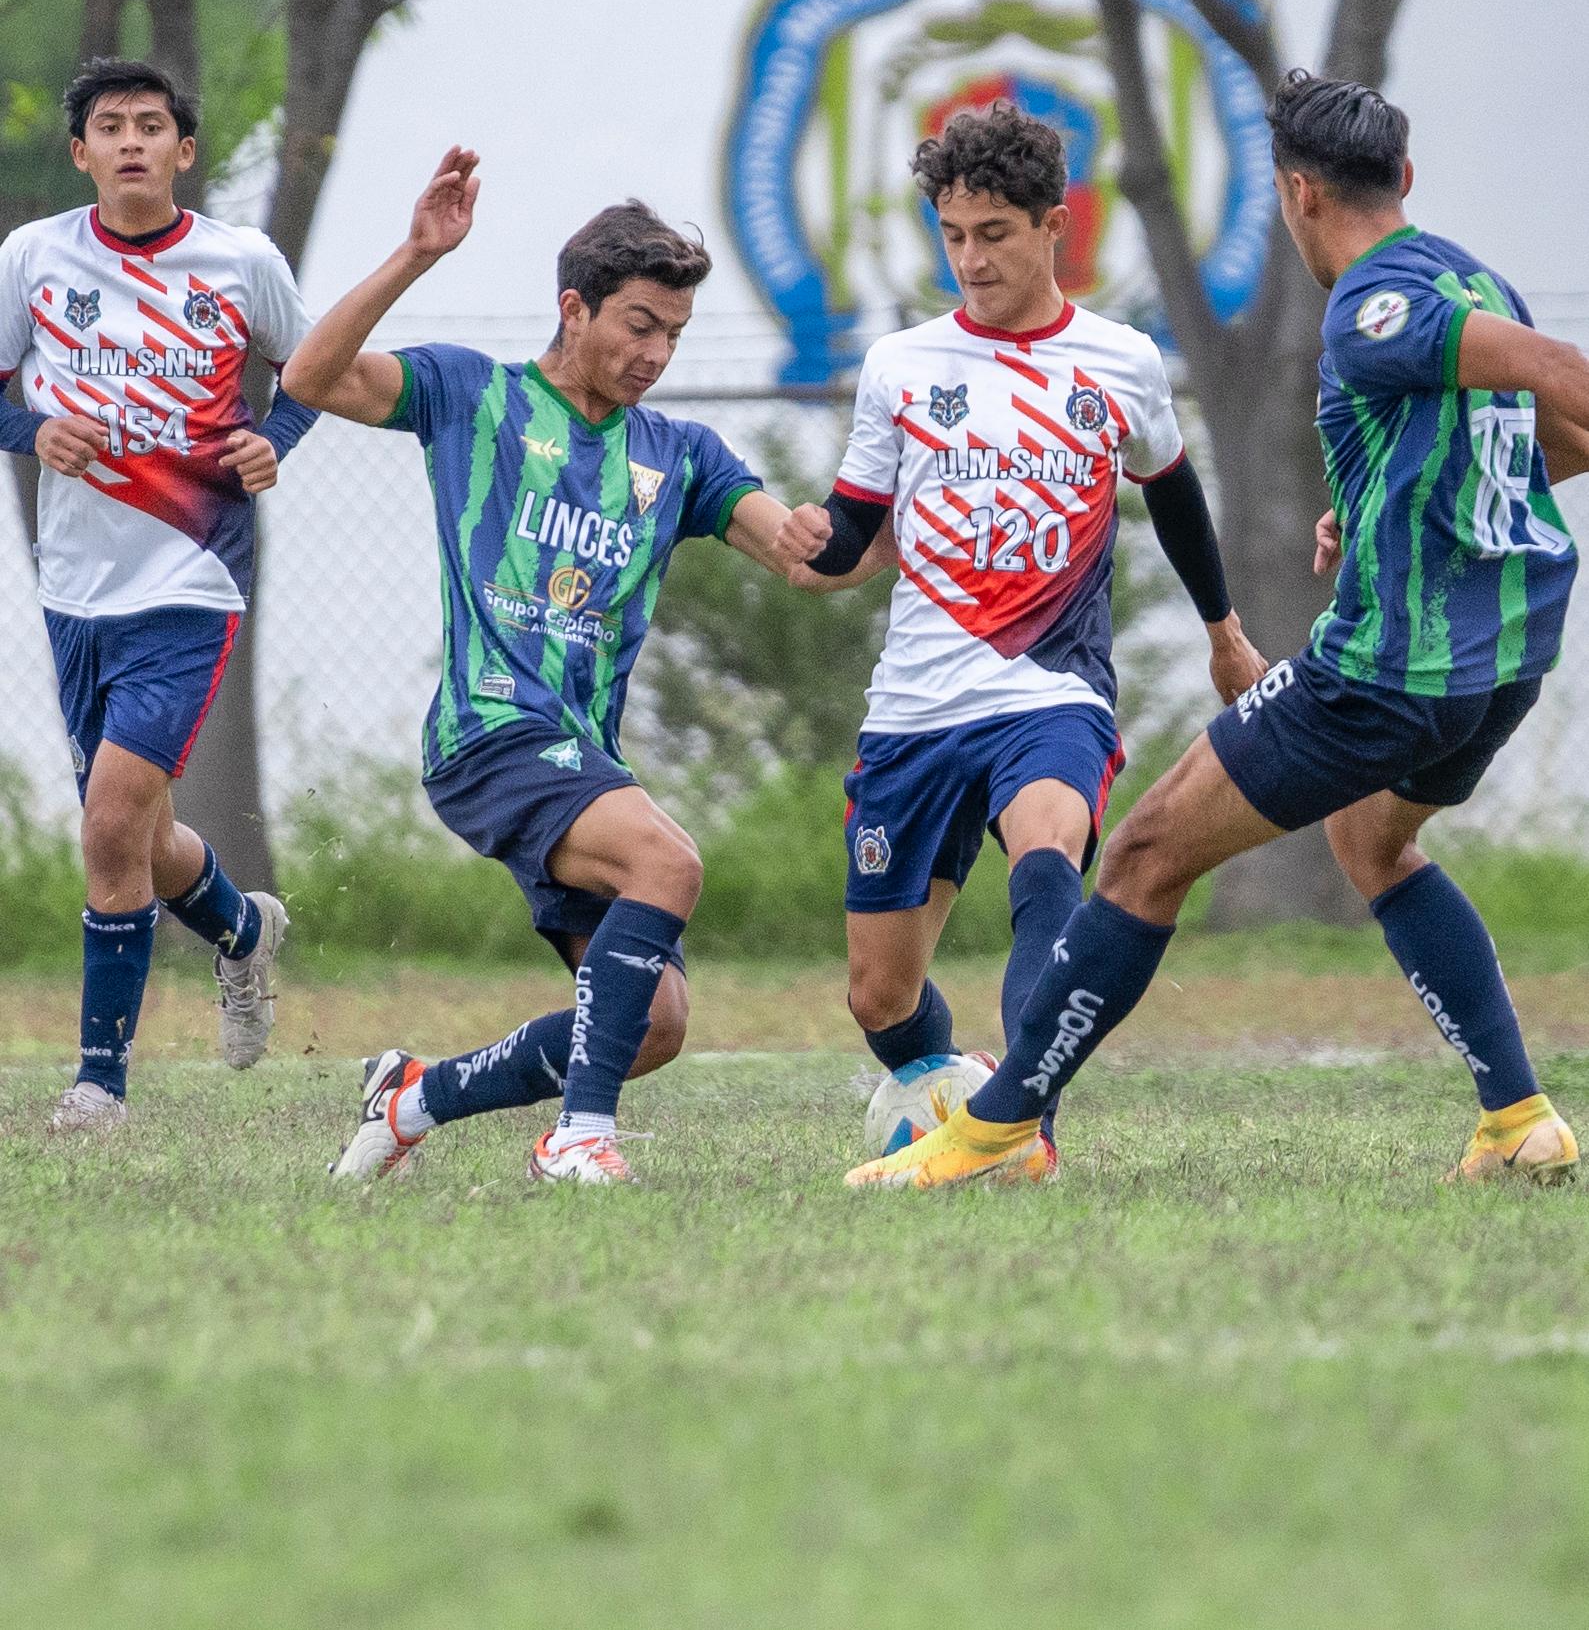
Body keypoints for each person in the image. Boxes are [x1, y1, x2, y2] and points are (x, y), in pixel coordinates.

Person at [848, 70, 1583, 1189]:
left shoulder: (1375, 303)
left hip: (1390, 668)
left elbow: (1563, 380)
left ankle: (996, 1127)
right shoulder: (1472, 275)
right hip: (1507, 657)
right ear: (1404, 178)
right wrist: (1384, 501)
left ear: (1295, 193)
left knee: (1142, 854)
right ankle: (1517, 1116)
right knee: (1368, 843)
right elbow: (1542, 442)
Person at [290, 151, 807, 1186]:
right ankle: (578, 1138)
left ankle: (414, 1096)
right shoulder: (469, 393)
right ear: (574, 308)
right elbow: (308, 379)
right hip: (488, 734)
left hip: (579, 755)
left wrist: (897, 514)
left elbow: (802, 553)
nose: (655, 351)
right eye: (638, 325)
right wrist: (416, 253)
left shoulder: (681, 453)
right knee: (670, 863)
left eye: (673, 333)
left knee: (651, 1021)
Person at [774, 100, 1266, 1176]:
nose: (969, 259)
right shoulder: (900, 365)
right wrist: (808, 543)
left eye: (991, 233)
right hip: (912, 707)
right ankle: (957, 1086)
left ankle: (1019, 1128)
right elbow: (853, 529)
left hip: (1051, 688)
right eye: (951, 236)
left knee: (1048, 849)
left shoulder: (1119, 360)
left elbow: (1174, 497)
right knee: (877, 990)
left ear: (1054, 226)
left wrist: (1223, 634)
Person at [0, 58, 318, 1128]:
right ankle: (242, 930)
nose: (130, 140)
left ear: (185, 152)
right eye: (108, 125)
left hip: (192, 574)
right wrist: (29, 428)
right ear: (81, 152)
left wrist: (274, 438)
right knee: (138, 830)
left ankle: (100, 1084)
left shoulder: (240, 259)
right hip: (74, 584)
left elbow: (318, 363)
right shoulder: (33, 256)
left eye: (151, 125)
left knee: (107, 821)